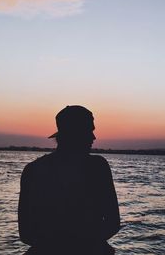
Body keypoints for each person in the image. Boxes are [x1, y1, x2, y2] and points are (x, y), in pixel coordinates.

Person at [18, 105, 120, 255]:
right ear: (75, 134)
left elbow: (26, 234)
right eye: (89, 131)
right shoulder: (98, 167)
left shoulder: (33, 170)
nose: (93, 137)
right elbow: (113, 223)